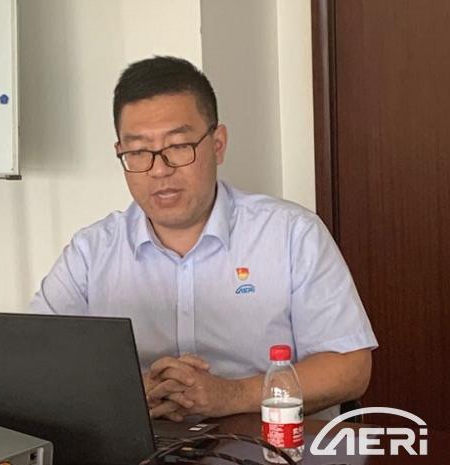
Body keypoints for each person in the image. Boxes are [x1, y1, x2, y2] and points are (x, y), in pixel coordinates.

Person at [29, 56, 378, 421]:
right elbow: (34, 362)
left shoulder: (291, 233)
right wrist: (126, 392)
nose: (159, 170)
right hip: (143, 441)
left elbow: (350, 368)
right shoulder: (91, 252)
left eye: (179, 146)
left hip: (265, 440)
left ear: (218, 144)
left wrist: (232, 395)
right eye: (138, 152)